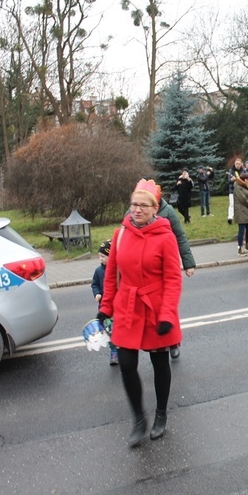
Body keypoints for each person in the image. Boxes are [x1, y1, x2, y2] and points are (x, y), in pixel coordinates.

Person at [99, 179, 183, 447]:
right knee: (125, 363)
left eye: (143, 205)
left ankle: (161, 414)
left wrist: (167, 315)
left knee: (160, 364)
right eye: (133, 204)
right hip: (127, 305)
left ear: (155, 208)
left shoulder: (166, 237)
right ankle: (138, 419)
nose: (136, 209)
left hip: (155, 307)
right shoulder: (120, 234)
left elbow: (173, 279)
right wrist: (105, 307)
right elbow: (111, 274)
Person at [92, 240, 117, 365]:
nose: (100, 259)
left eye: (103, 256)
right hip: (104, 308)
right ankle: (114, 352)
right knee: (109, 331)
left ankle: (123, 349)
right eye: (99, 256)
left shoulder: (118, 270)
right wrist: (97, 293)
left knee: (119, 331)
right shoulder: (98, 271)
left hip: (117, 309)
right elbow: (94, 284)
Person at [234, 171, 248, 255]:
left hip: (247, 211)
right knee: (241, 230)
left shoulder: (245, 186)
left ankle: (247, 244)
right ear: (245, 179)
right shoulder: (238, 187)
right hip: (241, 211)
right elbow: (243, 199)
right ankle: (240, 248)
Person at [226, 158, 245, 225]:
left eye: (239, 164)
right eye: (236, 164)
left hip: (241, 190)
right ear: (234, 164)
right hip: (232, 190)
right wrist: (232, 180)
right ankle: (230, 217)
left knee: (241, 204)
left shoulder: (243, 171)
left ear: (241, 164)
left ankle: (240, 217)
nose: (238, 165)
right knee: (232, 204)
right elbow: (228, 181)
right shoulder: (231, 171)